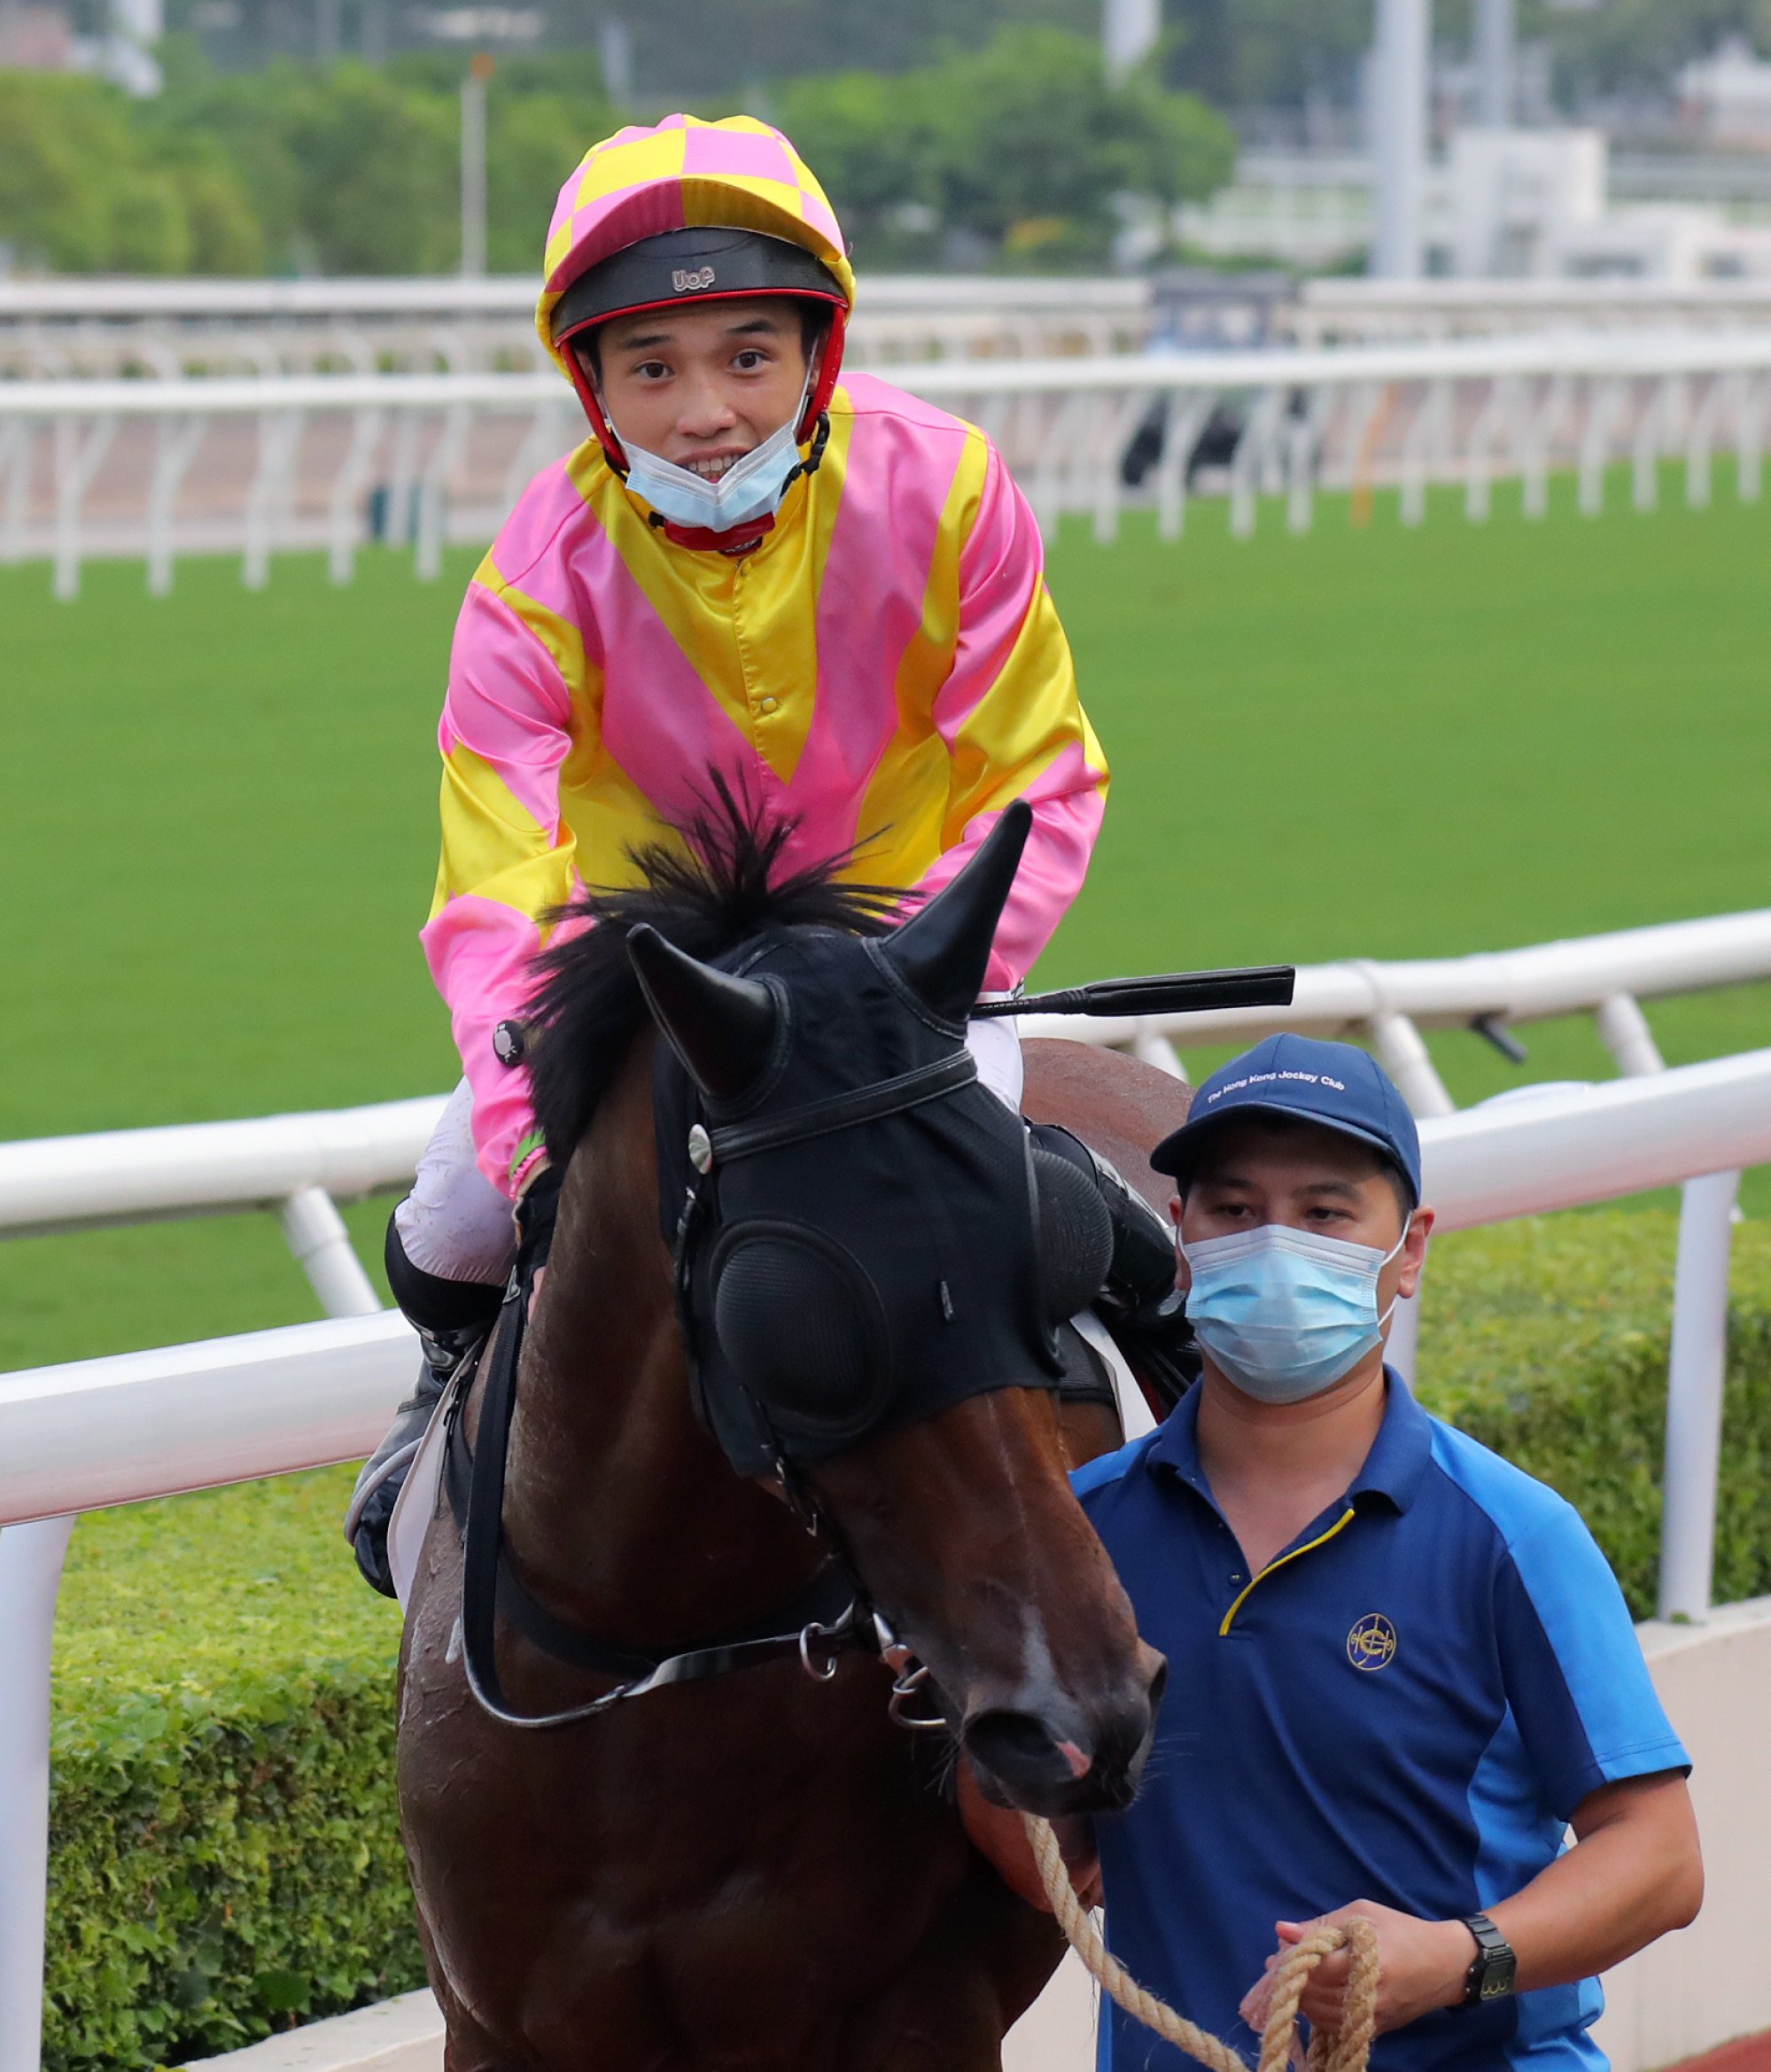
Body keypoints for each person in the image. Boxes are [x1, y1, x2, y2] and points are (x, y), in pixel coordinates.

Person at [346, 113, 1180, 1595]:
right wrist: (536, 1122)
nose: (706, 411)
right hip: (653, 990)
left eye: (746, 354)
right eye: (651, 367)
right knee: (463, 1219)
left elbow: (1033, 778)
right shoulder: (530, 581)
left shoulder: (952, 487)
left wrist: (913, 984)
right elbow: (498, 886)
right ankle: (442, 1403)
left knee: (1054, 1214)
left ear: (817, 351)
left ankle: (1182, 1430)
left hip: (900, 968)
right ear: (587, 384)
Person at [960, 1033, 1703, 2071]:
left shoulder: (1510, 1533)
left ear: (1408, 1250)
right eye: (1233, 1210)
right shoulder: (1079, 1535)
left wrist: (1455, 1956)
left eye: (1323, 1212)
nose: (1274, 1244)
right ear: (1180, 1238)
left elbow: (1660, 1857)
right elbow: (1058, 1865)